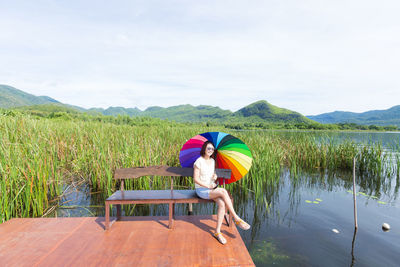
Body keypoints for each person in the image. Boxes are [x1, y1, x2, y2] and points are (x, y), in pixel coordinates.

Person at [193, 141, 250, 245]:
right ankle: (236, 218)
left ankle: (217, 232)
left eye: (212, 149)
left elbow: (211, 174)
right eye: (208, 148)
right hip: (202, 190)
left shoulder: (212, 161)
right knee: (223, 191)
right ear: (204, 149)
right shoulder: (199, 161)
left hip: (212, 188)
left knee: (222, 203)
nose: (210, 150)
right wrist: (207, 186)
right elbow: (196, 179)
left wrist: (214, 176)